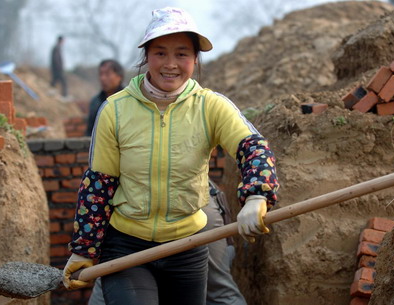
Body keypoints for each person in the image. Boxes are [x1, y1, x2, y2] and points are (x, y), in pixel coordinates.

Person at [62, 7, 279, 305]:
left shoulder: (211, 107)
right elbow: (99, 184)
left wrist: (256, 196)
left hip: (188, 246)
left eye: (182, 54)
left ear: (195, 59)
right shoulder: (115, 109)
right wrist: (84, 247)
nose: (171, 64)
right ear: (146, 56)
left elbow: (253, 147)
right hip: (127, 248)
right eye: (160, 53)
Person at [87, 180, 247, 305]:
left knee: (217, 290)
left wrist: (257, 197)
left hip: (192, 211)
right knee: (113, 285)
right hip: (133, 213)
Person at [86, 60, 125, 136]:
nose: (102, 78)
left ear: (119, 77)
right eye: (101, 74)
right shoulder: (95, 102)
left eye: (107, 74)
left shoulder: (129, 100)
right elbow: (90, 132)